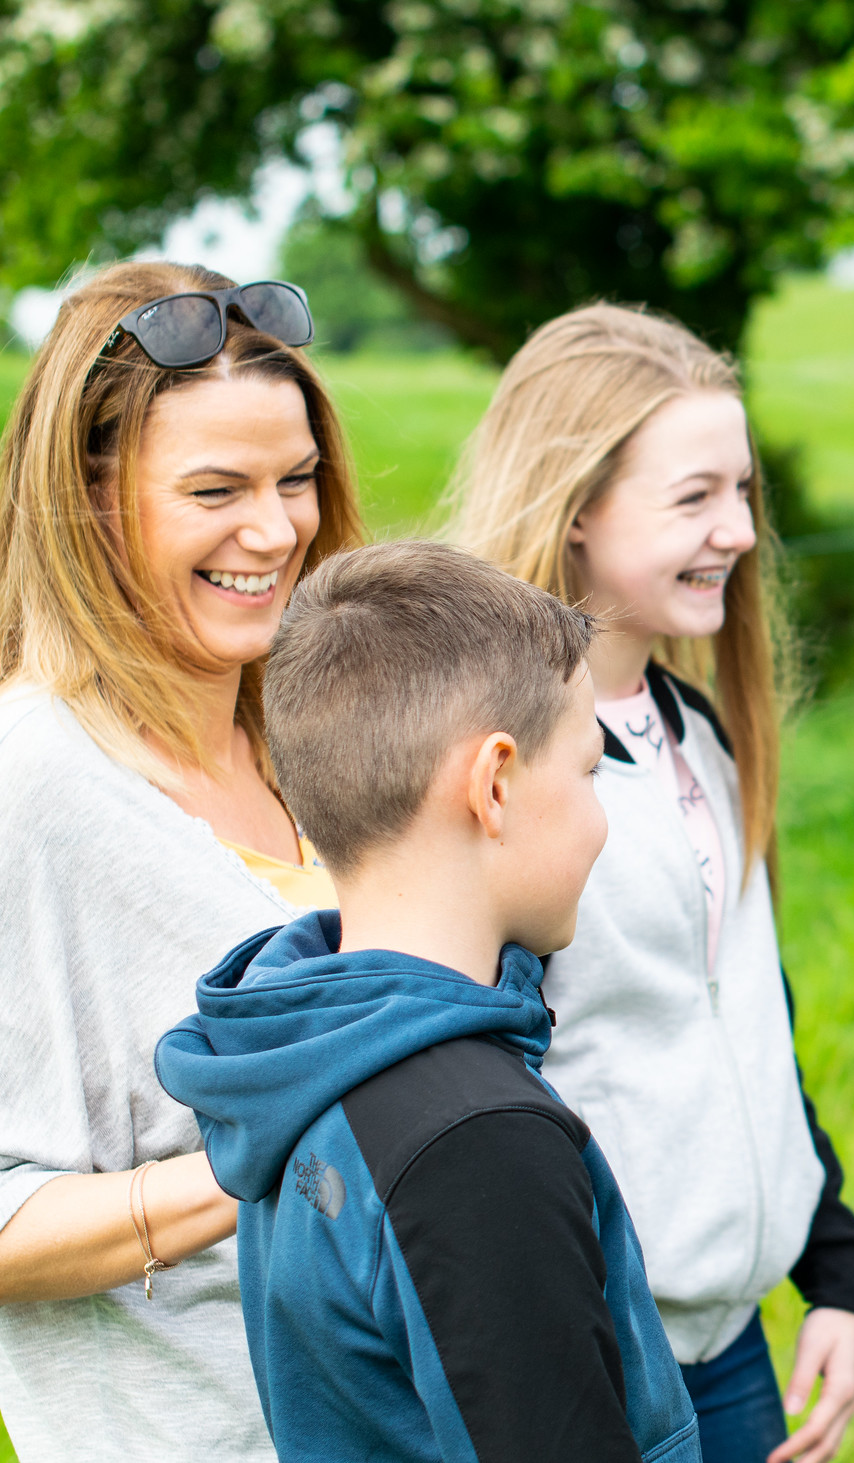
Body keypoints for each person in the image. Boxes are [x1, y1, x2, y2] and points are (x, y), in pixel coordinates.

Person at [157, 540, 702, 1463]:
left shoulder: (304, 1053)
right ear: (493, 784)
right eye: (587, 772)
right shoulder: (474, 1139)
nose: (599, 813)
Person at [449, 304, 854, 1463]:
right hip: (591, 1363)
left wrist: (831, 1264)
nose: (736, 530)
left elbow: (751, 1014)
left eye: (743, 490)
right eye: (692, 498)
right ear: (575, 507)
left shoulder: (698, 729)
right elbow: (475, 1082)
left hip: (729, 1350)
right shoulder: (499, 768)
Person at [0, 262, 361, 1460]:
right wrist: (256, 1151)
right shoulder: (32, 785)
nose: (275, 530)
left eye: (296, 478)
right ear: (86, 496)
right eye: (216, 489)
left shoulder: (319, 731)